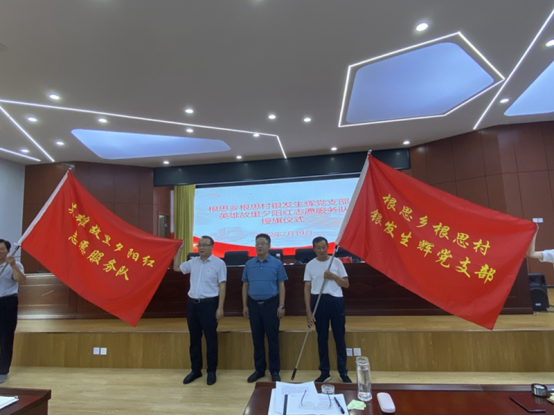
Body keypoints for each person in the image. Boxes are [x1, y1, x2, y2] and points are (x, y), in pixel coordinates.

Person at [173, 236, 227, 386]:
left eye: (205, 245)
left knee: (210, 338)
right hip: (192, 305)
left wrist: (220, 308)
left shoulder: (219, 264)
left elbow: (222, 285)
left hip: (209, 305)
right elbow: (177, 268)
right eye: (199, 245)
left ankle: (211, 371)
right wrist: (179, 250)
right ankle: (196, 370)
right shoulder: (193, 262)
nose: (201, 247)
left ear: (212, 246)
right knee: (194, 339)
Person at [304, 237, 352, 383]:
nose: (321, 250)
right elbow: (307, 288)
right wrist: (308, 312)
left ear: (327, 247)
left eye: (324, 247)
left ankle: (343, 372)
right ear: (314, 249)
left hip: (335, 301)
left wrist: (333, 276)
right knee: (322, 338)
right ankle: (325, 372)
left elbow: (346, 284)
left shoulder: (336, 262)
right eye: (318, 248)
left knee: (339, 337)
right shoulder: (310, 265)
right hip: (318, 301)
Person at [242, 234, 288, 383]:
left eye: (263, 243)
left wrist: (281, 305)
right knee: (257, 339)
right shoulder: (249, 264)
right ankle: (259, 370)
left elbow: (281, 285)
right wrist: (245, 305)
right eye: (257, 243)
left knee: (272, 339)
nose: (259, 246)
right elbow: (245, 285)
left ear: (269, 246)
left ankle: (274, 371)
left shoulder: (277, 264)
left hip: (271, 305)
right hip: (254, 306)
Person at [0, 239, 26, 384]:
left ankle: (3, 371)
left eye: (1, 249)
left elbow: (22, 280)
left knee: (5, 337)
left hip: (7, 302)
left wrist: (13, 265)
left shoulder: (14, 265)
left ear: (8, 251)